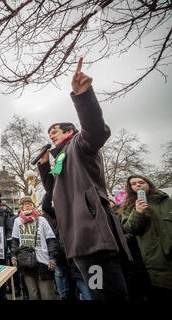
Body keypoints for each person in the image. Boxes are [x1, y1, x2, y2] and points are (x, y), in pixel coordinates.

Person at [37, 58, 131, 300]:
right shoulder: (59, 160)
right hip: (77, 243)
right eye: (49, 134)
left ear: (69, 132)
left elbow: (96, 130)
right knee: (96, 292)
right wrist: (44, 165)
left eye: (55, 132)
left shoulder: (79, 145)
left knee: (104, 294)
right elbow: (52, 191)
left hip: (94, 240)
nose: (51, 137)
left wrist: (83, 96)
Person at [121, 175, 172, 300]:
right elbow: (130, 228)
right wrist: (138, 213)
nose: (138, 185)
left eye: (141, 182)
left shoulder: (167, 201)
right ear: (130, 188)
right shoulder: (129, 207)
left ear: (148, 183)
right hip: (155, 262)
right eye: (133, 184)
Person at [10, 196, 59, 300]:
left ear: (33, 206)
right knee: (33, 295)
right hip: (26, 262)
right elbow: (15, 240)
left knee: (47, 295)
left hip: (43, 263)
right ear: (21, 207)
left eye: (29, 203)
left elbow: (51, 240)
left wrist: (52, 257)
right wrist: (14, 255)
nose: (27, 205)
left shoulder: (42, 220)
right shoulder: (17, 221)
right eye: (24, 204)